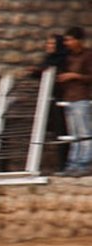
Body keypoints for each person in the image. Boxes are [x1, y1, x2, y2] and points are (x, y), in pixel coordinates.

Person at [28, 34, 69, 173]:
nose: (49, 46)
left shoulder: (63, 60)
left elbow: (56, 74)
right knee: (51, 133)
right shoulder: (49, 60)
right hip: (48, 102)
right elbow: (42, 72)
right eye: (48, 43)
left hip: (60, 100)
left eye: (52, 44)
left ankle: (64, 165)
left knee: (63, 132)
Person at [56, 26, 92, 177]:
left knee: (84, 132)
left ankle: (85, 163)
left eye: (70, 40)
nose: (68, 43)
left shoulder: (88, 56)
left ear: (78, 40)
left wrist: (75, 76)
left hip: (82, 97)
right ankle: (73, 163)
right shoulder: (68, 57)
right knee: (73, 134)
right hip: (69, 98)